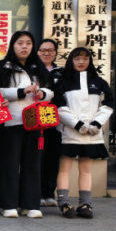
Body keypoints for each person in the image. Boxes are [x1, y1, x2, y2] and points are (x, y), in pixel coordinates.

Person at [0, 31, 53, 219]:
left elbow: (51, 91)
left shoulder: (39, 67)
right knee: (9, 164)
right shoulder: (3, 67)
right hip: (10, 122)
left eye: (28, 43)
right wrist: (21, 91)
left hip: (35, 123)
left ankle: (30, 205)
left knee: (32, 164)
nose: (24, 46)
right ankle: (8, 204)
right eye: (20, 43)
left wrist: (43, 94)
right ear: (13, 45)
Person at [54, 47, 114, 219]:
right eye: (77, 58)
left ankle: (85, 204)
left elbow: (108, 105)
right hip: (70, 133)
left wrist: (96, 123)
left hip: (92, 134)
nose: (81, 62)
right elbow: (59, 106)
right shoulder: (63, 82)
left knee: (86, 169)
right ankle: (64, 203)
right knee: (64, 168)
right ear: (70, 61)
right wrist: (78, 124)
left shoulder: (99, 82)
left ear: (90, 61)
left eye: (85, 59)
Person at [37, 38, 64, 207]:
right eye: (42, 50)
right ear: (37, 52)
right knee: (37, 157)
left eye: (50, 50)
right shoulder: (32, 71)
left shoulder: (63, 73)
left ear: (55, 53)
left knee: (53, 156)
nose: (46, 53)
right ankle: (38, 193)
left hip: (57, 119)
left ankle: (49, 193)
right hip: (35, 118)